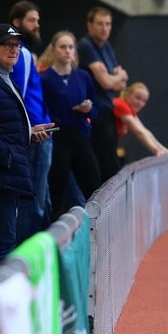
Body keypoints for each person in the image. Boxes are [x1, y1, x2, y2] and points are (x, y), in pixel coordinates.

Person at [0, 24, 55, 262]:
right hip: (2, 174)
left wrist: (29, 132)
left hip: (7, 175)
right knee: (3, 245)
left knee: (6, 241)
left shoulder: (8, 79)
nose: (14, 50)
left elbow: (6, 125)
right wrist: (6, 156)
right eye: (7, 45)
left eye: (17, 46)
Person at [38, 31, 101, 217]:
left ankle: (98, 231)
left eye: (71, 47)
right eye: (63, 47)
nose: (67, 51)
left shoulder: (83, 77)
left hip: (80, 136)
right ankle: (51, 234)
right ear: (54, 50)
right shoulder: (44, 79)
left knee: (94, 184)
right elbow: (39, 108)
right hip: (57, 138)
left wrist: (87, 109)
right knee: (56, 187)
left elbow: (96, 110)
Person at [9, 0, 53, 241]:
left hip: (41, 129)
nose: (37, 25)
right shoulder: (22, 54)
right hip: (36, 134)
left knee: (41, 196)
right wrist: (29, 129)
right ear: (17, 23)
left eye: (38, 20)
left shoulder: (27, 54)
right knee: (34, 198)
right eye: (31, 20)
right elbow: (20, 96)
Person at [77, 6, 129, 183]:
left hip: (107, 110)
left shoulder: (106, 46)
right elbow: (108, 81)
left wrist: (115, 77)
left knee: (109, 163)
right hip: (95, 113)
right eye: (100, 24)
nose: (104, 28)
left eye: (108, 24)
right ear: (89, 25)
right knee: (107, 166)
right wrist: (117, 76)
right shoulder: (86, 46)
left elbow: (122, 82)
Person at [113, 82, 168, 157]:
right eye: (137, 98)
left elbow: (144, 131)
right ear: (127, 94)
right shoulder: (121, 105)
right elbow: (139, 132)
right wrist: (156, 151)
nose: (140, 103)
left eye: (144, 101)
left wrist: (163, 149)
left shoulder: (131, 111)